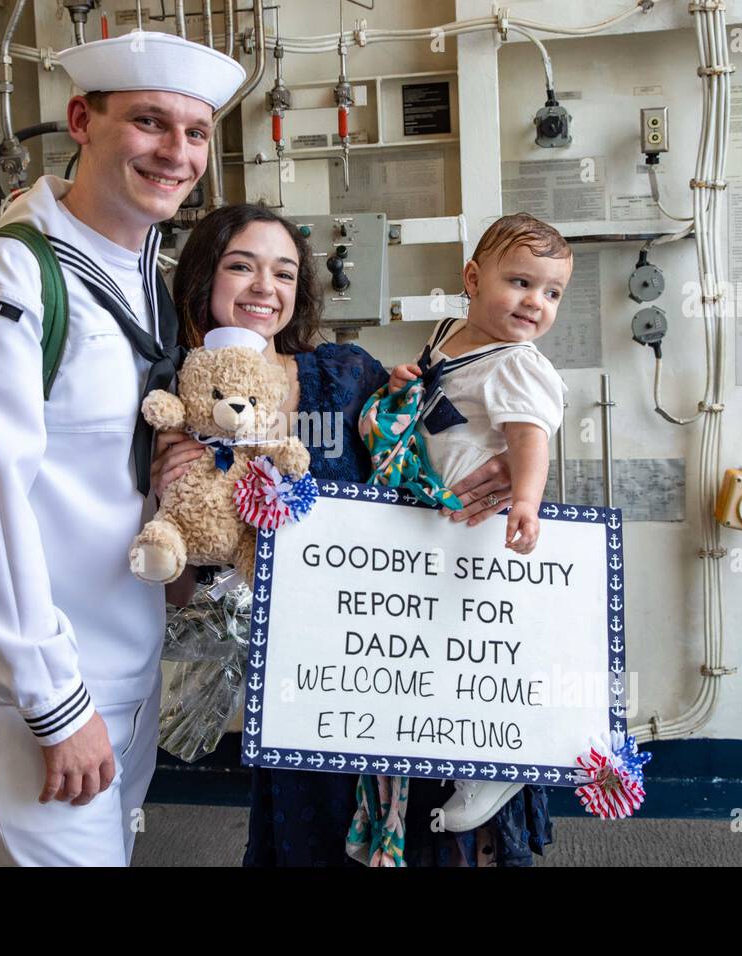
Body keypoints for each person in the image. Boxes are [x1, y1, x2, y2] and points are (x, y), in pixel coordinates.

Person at [0, 32, 244, 866]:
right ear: (82, 120)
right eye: (151, 122)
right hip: (27, 679)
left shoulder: (140, 277)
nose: (177, 152)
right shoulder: (2, 285)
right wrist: (53, 703)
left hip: (121, 659)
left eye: (196, 133)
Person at [162, 202, 532, 866]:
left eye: (282, 272)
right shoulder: (180, 403)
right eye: (240, 266)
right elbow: (178, 592)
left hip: (389, 650)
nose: (262, 288)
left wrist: (496, 464)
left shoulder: (345, 373)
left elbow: (432, 436)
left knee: (420, 833)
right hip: (296, 680)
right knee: (313, 841)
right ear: (202, 281)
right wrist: (169, 496)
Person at [382, 211, 572, 841]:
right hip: (439, 514)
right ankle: (449, 744)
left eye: (551, 293)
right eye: (520, 282)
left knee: (481, 650)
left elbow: (529, 437)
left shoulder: (517, 363)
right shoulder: (447, 335)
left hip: (481, 522)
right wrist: (404, 380)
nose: (535, 303)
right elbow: (430, 398)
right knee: (447, 646)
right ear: (472, 277)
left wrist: (525, 499)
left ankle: (497, 765)